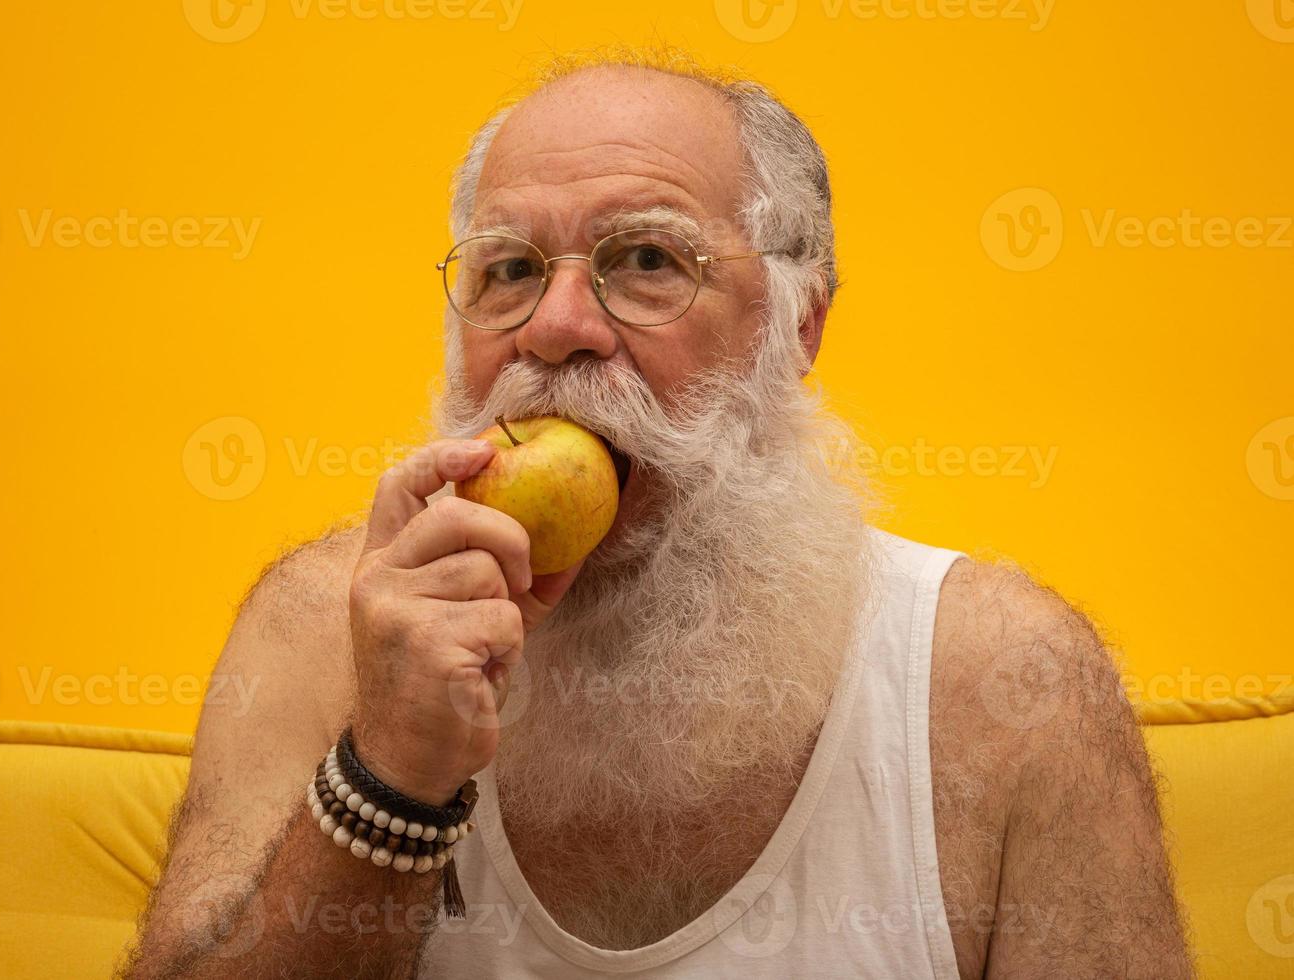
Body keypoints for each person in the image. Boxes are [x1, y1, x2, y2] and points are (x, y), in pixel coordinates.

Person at [122, 47, 1193, 979]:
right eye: (509, 269)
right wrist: (388, 766)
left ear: (797, 325)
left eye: (646, 260)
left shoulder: (1009, 682)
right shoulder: (321, 632)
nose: (555, 326)